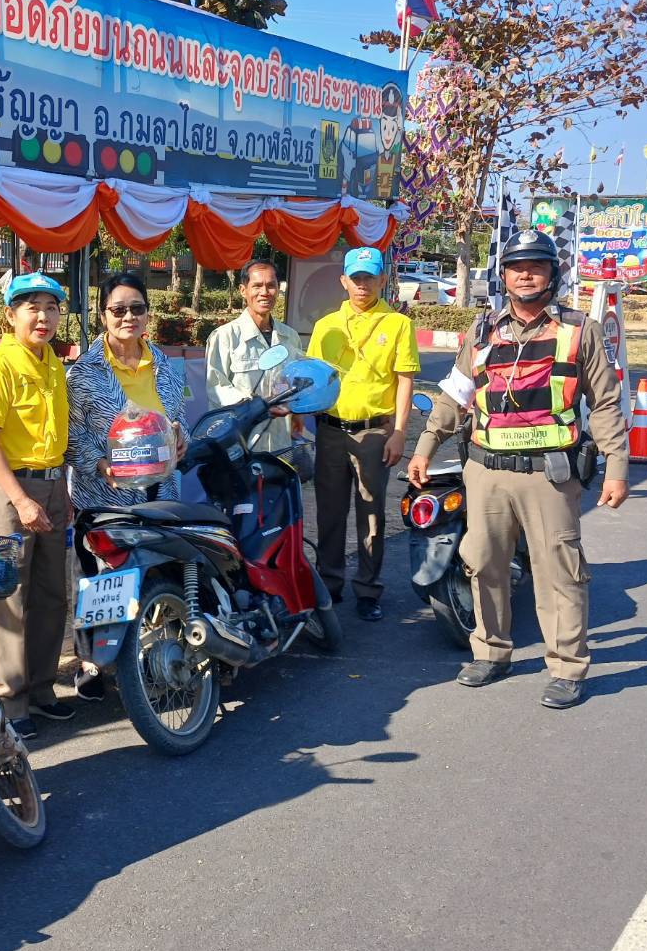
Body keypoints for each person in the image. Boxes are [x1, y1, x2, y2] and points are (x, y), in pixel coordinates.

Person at [408, 229, 628, 709]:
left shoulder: (579, 330)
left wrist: (617, 465)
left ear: (553, 274)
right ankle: (491, 652)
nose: (526, 275)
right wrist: (425, 447)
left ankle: (567, 667)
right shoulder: (482, 330)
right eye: (516, 267)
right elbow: (455, 396)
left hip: (549, 475)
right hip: (486, 472)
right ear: (503, 275)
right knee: (483, 562)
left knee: (559, 570)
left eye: (536, 266)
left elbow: (606, 403)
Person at [66, 271, 188, 701]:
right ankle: (92, 665)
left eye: (137, 308)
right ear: (103, 315)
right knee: (102, 582)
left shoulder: (164, 365)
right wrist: (99, 464)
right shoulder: (84, 373)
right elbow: (72, 435)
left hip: (161, 492)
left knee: (161, 573)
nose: (128, 317)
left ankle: (160, 660)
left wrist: (181, 439)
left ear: (147, 314)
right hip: (106, 497)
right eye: (118, 309)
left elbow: (177, 417)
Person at [0, 272, 73, 739]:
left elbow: (56, 438)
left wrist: (62, 491)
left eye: (51, 308)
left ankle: (42, 687)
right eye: (33, 308)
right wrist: (22, 500)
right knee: (9, 598)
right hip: (10, 491)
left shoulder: (53, 364)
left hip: (52, 486)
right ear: (10, 316)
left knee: (52, 593)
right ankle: (11, 701)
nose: (43, 317)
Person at [307, 246, 420, 623]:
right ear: (343, 281)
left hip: (374, 433)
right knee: (330, 513)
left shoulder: (398, 324)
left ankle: (368, 590)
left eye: (369, 277)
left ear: (382, 280)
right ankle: (330, 584)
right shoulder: (326, 326)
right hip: (330, 431)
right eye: (355, 278)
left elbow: (405, 381)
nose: (362, 285)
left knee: (371, 514)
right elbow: (313, 377)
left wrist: (399, 432)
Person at [205, 259, 304, 451]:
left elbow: (294, 382)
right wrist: (258, 406)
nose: (264, 292)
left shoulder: (290, 337)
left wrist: (297, 412)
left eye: (271, 285)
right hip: (240, 445)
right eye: (257, 286)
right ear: (243, 290)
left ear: (278, 289)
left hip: (279, 443)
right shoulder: (225, 337)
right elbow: (217, 388)